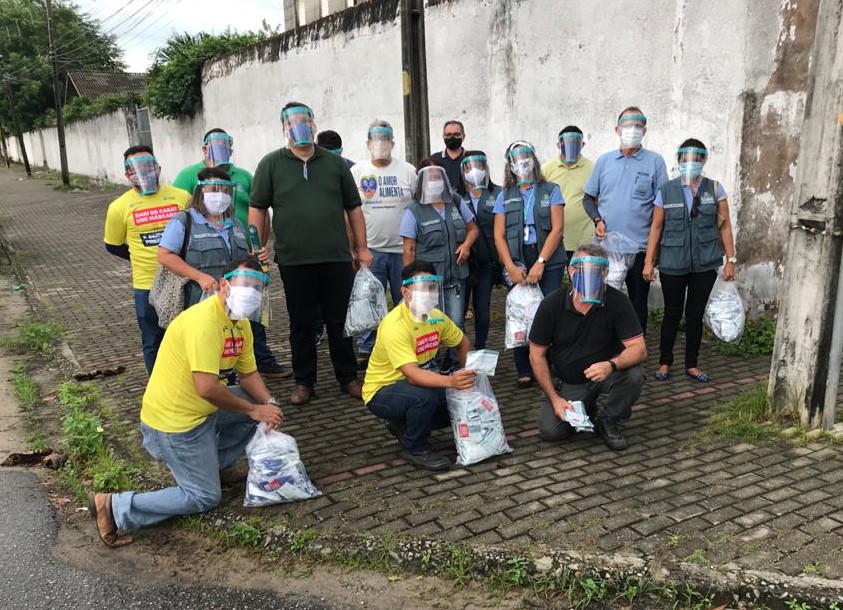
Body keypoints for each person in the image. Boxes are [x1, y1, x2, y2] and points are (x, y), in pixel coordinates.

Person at [90, 258, 285, 547]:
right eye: (245, 285)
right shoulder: (203, 322)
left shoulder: (240, 324)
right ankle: (116, 507)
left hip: (201, 412)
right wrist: (255, 409)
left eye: (257, 287)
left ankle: (216, 466)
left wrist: (268, 403)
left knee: (252, 407)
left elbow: (248, 374)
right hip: (175, 424)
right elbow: (207, 388)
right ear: (224, 285)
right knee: (203, 497)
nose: (251, 292)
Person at [249, 101, 372, 406]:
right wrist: (256, 247)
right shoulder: (270, 164)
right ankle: (305, 381)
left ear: (314, 125)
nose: (300, 127)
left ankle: (347, 377)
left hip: (336, 258)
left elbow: (354, 208)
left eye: (305, 121)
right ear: (284, 128)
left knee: (339, 321)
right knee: (301, 324)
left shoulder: (335, 164)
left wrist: (362, 247)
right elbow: (258, 208)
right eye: (292, 123)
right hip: (294, 260)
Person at [171, 131, 286, 376]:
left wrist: (258, 258)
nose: (219, 195)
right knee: (207, 346)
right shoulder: (184, 221)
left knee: (239, 342)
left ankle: (242, 376)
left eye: (224, 190)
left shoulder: (234, 224)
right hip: (202, 298)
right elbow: (166, 255)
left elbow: (244, 256)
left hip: (237, 297)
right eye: (213, 189)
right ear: (200, 192)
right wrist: (199, 276)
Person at [529, 243, 647, 451]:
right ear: (570, 271)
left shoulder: (618, 301)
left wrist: (611, 365)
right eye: (582, 270)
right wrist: (554, 398)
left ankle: (608, 419)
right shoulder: (552, 304)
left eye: (595, 272)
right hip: (569, 380)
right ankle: (585, 406)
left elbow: (639, 348)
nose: (588, 277)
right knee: (552, 432)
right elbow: (536, 355)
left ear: (604, 274)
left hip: (605, 373)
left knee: (634, 375)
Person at [363, 261, 474, 471]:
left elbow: (463, 343)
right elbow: (413, 375)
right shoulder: (395, 324)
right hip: (382, 390)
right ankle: (416, 448)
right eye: (423, 288)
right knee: (425, 397)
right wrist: (451, 381)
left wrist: (465, 374)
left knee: (456, 400)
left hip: (414, 385)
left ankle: (404, 425)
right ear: (405, 292)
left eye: (432, 287)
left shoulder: (436, 318)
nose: (429, 293)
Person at [643, 139, 737, 382]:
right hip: (672, 262)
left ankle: (692, 364)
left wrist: (731, 260)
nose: (691, 163)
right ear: (679, 160)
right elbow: (656, 226)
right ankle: (664, 362)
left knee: (695, 314)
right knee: (672, 313)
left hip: (705, 263)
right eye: (686, 159)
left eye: (696, 159)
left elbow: (725, 227)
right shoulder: (666, 190)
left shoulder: (715, 189)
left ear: (703, 161)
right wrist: (648, 261)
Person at [104, 146, 190, 374]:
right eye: (134, 169)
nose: (142, 172)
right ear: (127, 174)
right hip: (146, 285)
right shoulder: (119, 207)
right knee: (153, 341)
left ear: (157, 168)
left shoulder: (181, 197)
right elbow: (112, 244)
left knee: (187, 337)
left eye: (147, 166)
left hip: (183, 280)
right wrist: (138, 257)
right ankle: (158, 390)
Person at [582, 107, 669, 334]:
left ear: (645, 130)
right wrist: (597, 219)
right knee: (601, 299)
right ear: (617, 129)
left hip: (640, 248)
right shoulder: (604, 161)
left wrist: (653, 254)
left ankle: (635, 351)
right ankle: (604, 343)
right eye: (627, 126)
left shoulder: (655, 162)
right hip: (606, 248)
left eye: (638, 126)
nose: (632, 131)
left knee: (637, 305)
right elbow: (588, 199)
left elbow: (662, 209)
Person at [493, 141, 566, 388]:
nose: (522, 162)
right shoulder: (504, 195)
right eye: (516, 158)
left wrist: (541, 262)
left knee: (550, 310)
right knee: (519, 313)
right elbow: (499, 236)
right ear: (510, 165)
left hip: (548, 256)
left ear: (534, 159)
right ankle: (524, 368)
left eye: (526, 156)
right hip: (517, 257)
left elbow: (557, 230)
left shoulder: (551, 190)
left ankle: (553, 365)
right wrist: (511, 267)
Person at [351, 119, 418, 368]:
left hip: (404, 252)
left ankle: (407, 343)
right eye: (375, 140)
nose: (380, 144)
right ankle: (368, 348)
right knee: (370, 302)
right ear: (368, 144)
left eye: (385, 139)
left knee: (408, 301)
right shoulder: (357, 172)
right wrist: (356, 249)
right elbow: (350, 213)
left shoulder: (408, 171)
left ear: (393, 142)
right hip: (372, 252)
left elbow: (418, 207)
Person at [400, 162, 478, 371]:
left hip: (455, 278)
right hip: (427, 283)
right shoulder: (413, 210)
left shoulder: (455, 201)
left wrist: (467, 245)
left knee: (456, 324)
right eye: (430, 177)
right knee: (427, 325)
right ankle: (428, 366)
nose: (434, 181)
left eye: (438, 176)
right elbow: (409, 249)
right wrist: (411, 284)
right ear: (422, 182)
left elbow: (472, 229)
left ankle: (454, 365)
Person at [460, 151, 502, 350]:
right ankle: (459, 349)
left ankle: (480, 347)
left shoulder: (498, 193)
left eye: (478, 166)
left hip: (487, 261)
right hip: (463, 262)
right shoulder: (456, 197)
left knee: (482, 307)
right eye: (468, 167)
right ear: (463, 171)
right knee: (458, 310)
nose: (474, 171)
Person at [541, 126, 596, 260]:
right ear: (558, 144)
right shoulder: (546, 169)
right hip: (554, 239)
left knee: (581, 279)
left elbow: (597, 199)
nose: (571, 145)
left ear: (582, 145)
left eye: (576, 142)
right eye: (566, 142)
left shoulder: (593, 168)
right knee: (554, 280)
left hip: (583, 240)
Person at [432, 120, 467, 197]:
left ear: (463, 137)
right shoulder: (434, 160)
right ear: (443, 137)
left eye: (456, 134)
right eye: (448, 134)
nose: (452, 137)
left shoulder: (470, 159)